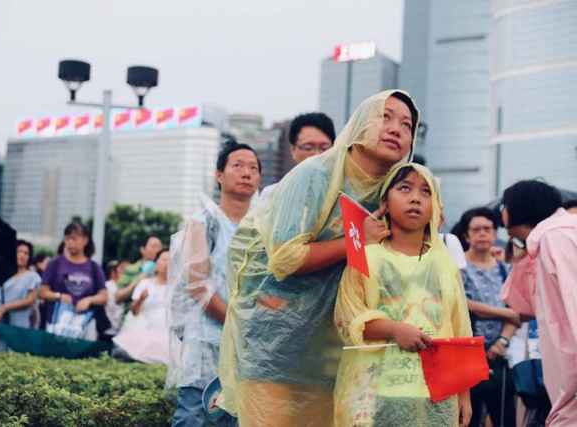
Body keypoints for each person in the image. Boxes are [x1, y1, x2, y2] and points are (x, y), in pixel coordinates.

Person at [218, 90, 420, 426]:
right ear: (359, 123)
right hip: (274, 341)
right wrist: (358, 241)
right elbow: (285, 258)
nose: (396, 128)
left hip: (333, 346)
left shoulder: (395, 190)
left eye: (407, 124)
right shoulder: (315, 175)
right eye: (385, 116)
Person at [334, 163, 473, 426]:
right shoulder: (366, 257)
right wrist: (393, 329)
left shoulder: (444, 264)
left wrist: (464, 395)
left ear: (436, 206)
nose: (415, 198)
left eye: (425, 192)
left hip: (438, 394)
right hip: (377, 392)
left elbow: (459, 329)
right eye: (405, 188)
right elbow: (346, 317)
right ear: (385, 200)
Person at [168, 142, 261, 427]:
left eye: (254, 168)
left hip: (249, 345)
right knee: (194, 416)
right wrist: (237, 320)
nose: (246, 173)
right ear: (219, 175)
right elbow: (198, 286)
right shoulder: (202, 222)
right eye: (238, 165)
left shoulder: (264, 226)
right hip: (206, 342)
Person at [500, 180, 577, 426]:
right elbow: (521, 307)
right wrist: (521, 249)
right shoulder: (545, 239)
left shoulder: (559, 237)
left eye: (504, 206)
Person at [458, 207, 518, 427]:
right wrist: (503, 312)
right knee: (469, 418)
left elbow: (517, 312)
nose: (482, 233)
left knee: (504, 418)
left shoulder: (506, 269)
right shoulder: (458, 267)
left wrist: (502, 342)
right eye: (476, 229)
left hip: (498, 356)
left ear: (495, 233)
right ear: (467, 236)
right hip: (468, 354)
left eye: (487, 229)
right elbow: (463, 304)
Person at [39, 222, 108, 341]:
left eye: (74, 239)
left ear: (85, 240)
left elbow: (104, 296)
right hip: (57, 323)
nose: (70, 242)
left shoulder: (94, 267)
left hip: (84, 324)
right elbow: (42, 292)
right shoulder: (55, 264)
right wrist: (59, 296)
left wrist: (89, 300)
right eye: (67, 239)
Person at [260, 112, 336, 201]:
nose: (317, 155)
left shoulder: (344, 195)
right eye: (308, 148)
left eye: (324, 148)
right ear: (293, 150)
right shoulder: (272, 194)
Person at [113, 250, 171, 364]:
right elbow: (134, 311)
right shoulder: (145, 283)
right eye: (164, 260)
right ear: (157, 263)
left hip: (166, 330)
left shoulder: (176, 288)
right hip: (144, 327)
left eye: (171, 260)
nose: (167, 264)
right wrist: (141, 299)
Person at [115, 236, 163, 305]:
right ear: (142, 250)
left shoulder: (166, 270)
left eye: (160, 247)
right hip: (133, 313)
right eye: (154, 246)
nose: (158, 250)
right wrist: (137, 282)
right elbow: (117, 298)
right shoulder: (131, 269)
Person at [104, 260, 127, 338]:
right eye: (122, 269)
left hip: (123, 331)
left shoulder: (126, 287)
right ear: (113, 272)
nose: (126, 272)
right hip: (109, 331)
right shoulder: (108, 286)